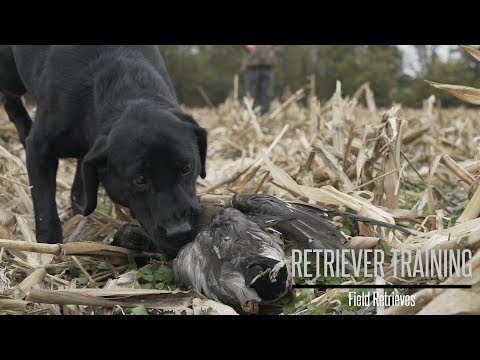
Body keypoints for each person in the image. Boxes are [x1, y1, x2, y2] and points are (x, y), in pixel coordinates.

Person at [242, 45, 281, 115]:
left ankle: (265, 116)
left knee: (266, 94)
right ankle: (249, 117)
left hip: (268, 65)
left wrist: (273, 51)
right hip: (252, 65)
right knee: (251, 94)